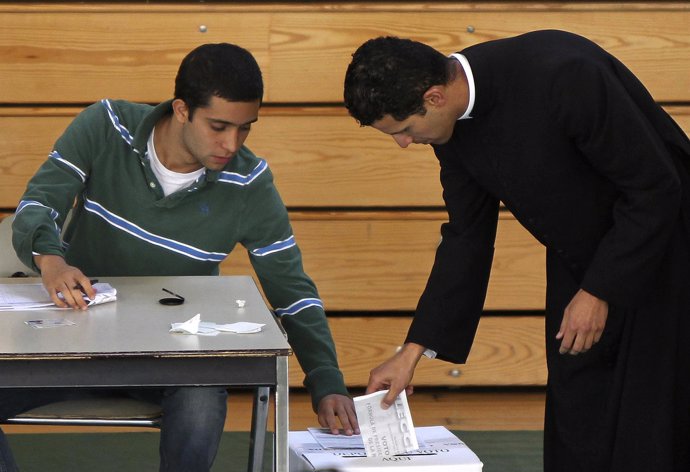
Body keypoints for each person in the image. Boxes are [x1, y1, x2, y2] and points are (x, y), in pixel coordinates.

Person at [343, 30, 690, 472]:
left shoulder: (565, 74)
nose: (404, 144)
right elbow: (467, 237)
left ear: (434, 96)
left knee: (650, 419)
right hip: (580, 260)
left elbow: (656, 188)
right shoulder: (449, 126)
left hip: (665, 251)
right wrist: (413, 351)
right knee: (577, 415)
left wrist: (600, 290)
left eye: (405, 130)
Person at [7, 42, 359, 472]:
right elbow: (37, 204)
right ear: (180, 109)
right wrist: (52, 260)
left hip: (173, 358)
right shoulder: (106, 125)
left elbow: (292, 291)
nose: (232, 143)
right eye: (218, 126)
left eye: (246, 128)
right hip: (71, 341)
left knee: (202, 400)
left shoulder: (250, 182)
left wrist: (327, 382)